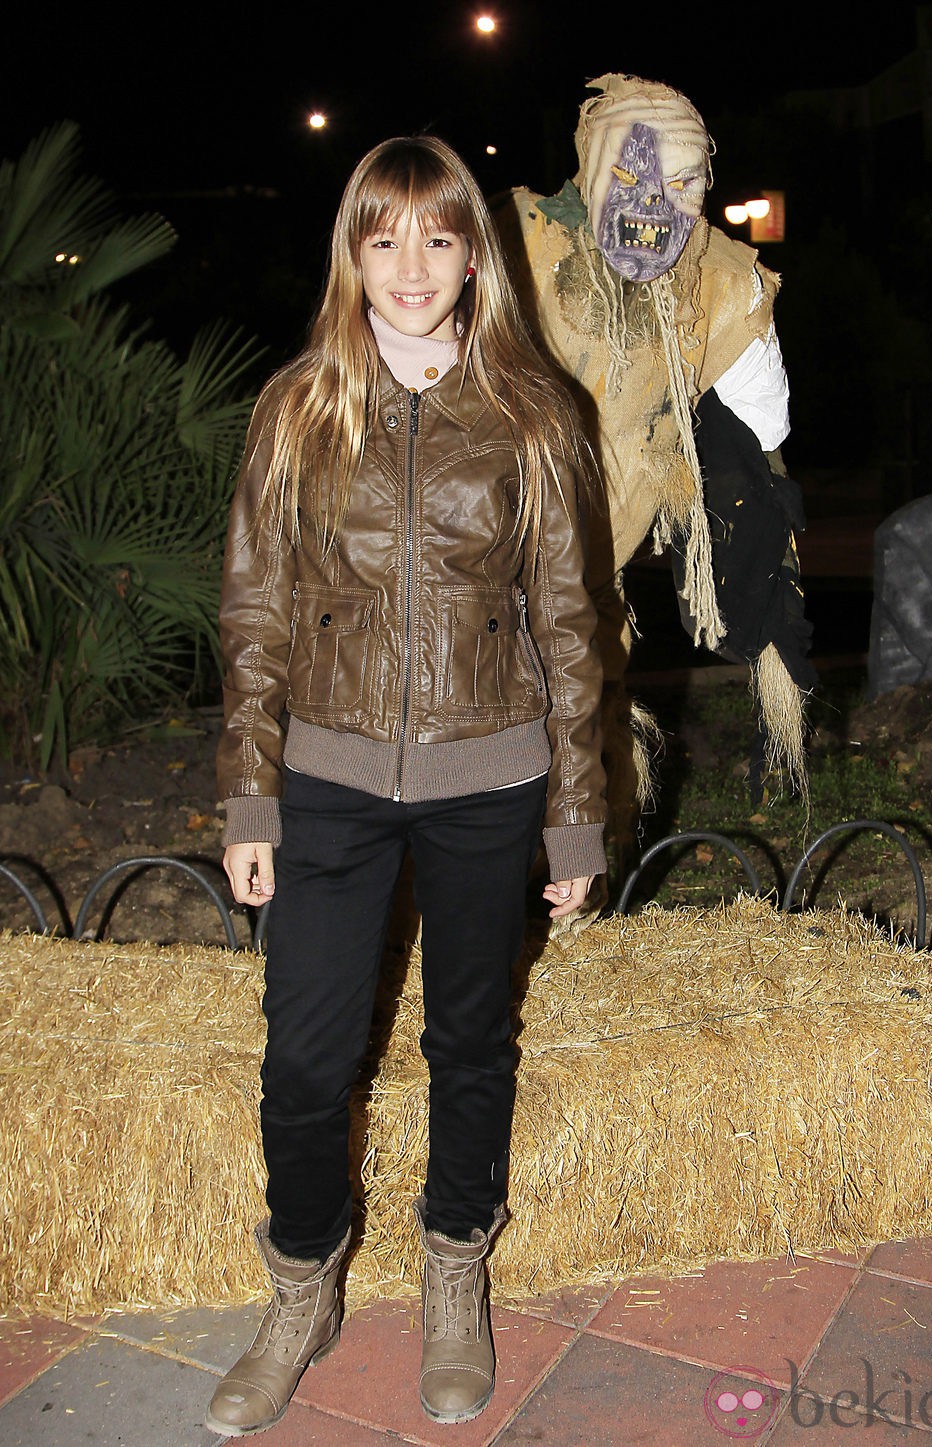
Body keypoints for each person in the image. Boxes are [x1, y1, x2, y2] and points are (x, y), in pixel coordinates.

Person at [207, 134, 607, 1436]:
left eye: (439, 235)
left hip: (492, 772)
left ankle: (452, 1270)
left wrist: (577, 815)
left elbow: (568, 624)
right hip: (326, 776)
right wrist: (252, 795)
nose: (413, 264)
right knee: (307, 1058)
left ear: (474, 253)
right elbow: (256, 613)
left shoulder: (534, 414)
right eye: (385, 237)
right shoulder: (297, 406)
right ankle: (301, 1287)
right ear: (352, 253)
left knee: (469, 1039)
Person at [498, 74, 815, 844]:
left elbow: (764, 419)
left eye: (683, 183)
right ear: (588, 170)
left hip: (592, 580)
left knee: (586, 739)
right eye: (631, 177)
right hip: (472, 569)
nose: (653, 208)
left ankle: (574, 913)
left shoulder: (719, 282)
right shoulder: (510, 245)